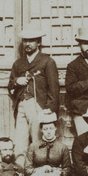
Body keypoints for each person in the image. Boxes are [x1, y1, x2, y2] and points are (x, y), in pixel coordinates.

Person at [8, 23, 60, 165]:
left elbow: (54, 88)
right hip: (21, 106)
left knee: (38, 142)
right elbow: (10, 84)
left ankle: (38, 172)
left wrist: (49, 110)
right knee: (20, 143)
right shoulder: (18, 63)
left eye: (31, 40)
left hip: (38, 106)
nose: (28, 44)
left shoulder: (47, 62)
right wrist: (17, 81)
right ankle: (20, 173)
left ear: (39, 42)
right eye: (25, 40)